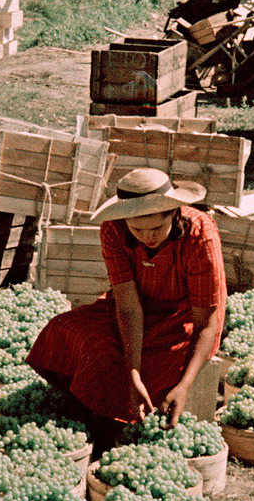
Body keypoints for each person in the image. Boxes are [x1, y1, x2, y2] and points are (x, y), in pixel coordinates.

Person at [27, 167, 227, 426]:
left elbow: (206, 324)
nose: (148, 237)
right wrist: (132, 373)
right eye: (138, 230)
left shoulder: (199, 236)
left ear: (174, 213)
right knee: (64, 330)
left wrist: (184, 386)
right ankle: (92, 411)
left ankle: (115, 420)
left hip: (185, 316)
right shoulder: (113, 230)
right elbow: (128, 307)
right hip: (137, 305)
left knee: (158, 365)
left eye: (157, 227)